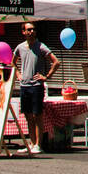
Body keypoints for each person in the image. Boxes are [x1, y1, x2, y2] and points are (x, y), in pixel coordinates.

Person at [15, 23, 60, 155]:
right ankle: (32, 143)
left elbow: (56, 62)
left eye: (33, 29)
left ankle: (38, 144)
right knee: (28, 116)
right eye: (29, 30)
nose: (32, 32)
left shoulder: (40, 46)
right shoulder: (20, 47)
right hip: (24, 85)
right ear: (23, 32)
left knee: (37, 115)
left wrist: (46, 76)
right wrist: (18, 74)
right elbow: (12, 62)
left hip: (36, 86)